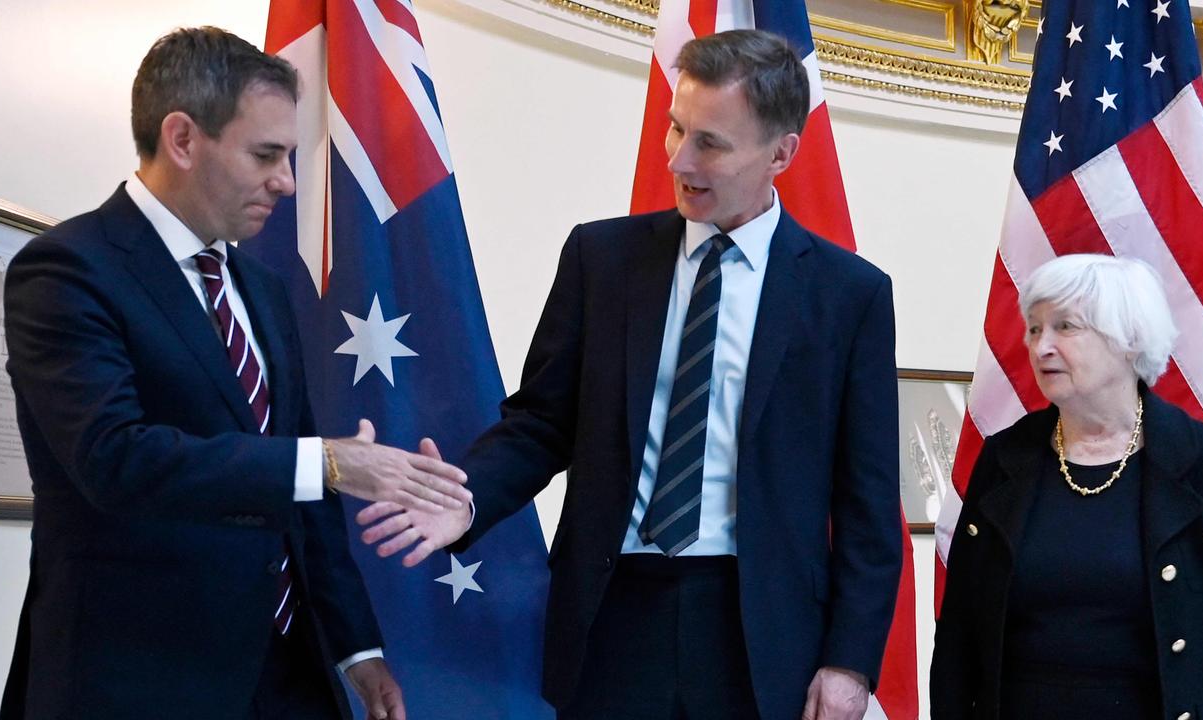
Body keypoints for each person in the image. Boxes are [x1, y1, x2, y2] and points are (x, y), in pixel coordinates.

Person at [357, 29, 903, 720]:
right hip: (614, 617)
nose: (679, 159)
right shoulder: (602, 259)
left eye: (710, 142)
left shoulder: (847, 294)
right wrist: (467, 499)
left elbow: (867, 502)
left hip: (762, 632)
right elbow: (540, 424)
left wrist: (849, 660)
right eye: (677, 130)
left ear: (781, 153)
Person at [0, 27, 471, 720]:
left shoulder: (262, 288)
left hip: (287, 676)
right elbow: (113, 459)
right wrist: (329, 464)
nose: (286, 181)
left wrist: (357, 651)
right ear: (184, 139)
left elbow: (301, 489)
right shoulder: (68, 270)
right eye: (266, 155)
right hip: (139, 680)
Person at [930, 253, 1203, 719]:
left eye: (1065, 327)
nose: (1041, 346)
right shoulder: (1005, 457)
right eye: (1034, 328)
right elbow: (958, 635)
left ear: (1129, 339)